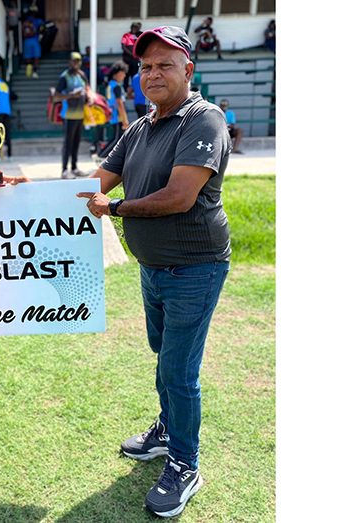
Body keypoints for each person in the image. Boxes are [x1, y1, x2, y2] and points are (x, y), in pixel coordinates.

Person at [77, 26, 231, 517]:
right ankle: (167, 430)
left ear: (189, 69)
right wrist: (11, 191)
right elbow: (94, 182)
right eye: (145, 66)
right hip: (155, 267)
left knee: (179, 370)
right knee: (163, 353)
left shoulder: (203, 121)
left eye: (165, 64)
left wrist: (115, 209)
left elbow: (179, 196)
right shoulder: (143, 124)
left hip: (195, 267)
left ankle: (186, 463)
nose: (153, 73)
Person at [53, 51, 90, 179]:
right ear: (69, 62)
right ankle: (64, 170)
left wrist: (89, 98)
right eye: (74, 60)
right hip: (68, 115)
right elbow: (56, 96)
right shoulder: (64, 77)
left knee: (76, 142)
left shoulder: (82, 76)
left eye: (79, 60)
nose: (76, 63)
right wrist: (72, 95)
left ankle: (74, 168)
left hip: (80, 114)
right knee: (68, 143)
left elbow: (87, 90)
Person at [98, 61, 129, 159]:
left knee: (117, 138)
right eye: (123, 73)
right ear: (118, 73)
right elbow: (119, 103)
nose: (124, 75)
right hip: (117, 116)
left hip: (112, 115)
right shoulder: (117, 87)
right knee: (115, 139)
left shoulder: (110, 85)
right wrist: (125, 119)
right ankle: (101, 156)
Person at [22, 6, 43, 78]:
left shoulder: (38, 21)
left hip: (33, 40)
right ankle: (31, 71)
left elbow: (42, 28)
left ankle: (33, 71)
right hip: (31, 40)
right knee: (31, 57)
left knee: (34, 56)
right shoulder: (28, 22)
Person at [121, 21, 143, 90]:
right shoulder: (126, 35)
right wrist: (131, 54)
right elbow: (123, 46)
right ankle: (125, 89)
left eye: (136, 28)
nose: (135, 29)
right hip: (127, 58)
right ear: (131, 27)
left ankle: (133, 90)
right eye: (133, 27)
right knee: (126, 74)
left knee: (134, 75)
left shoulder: (138, 36)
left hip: (135, 59)